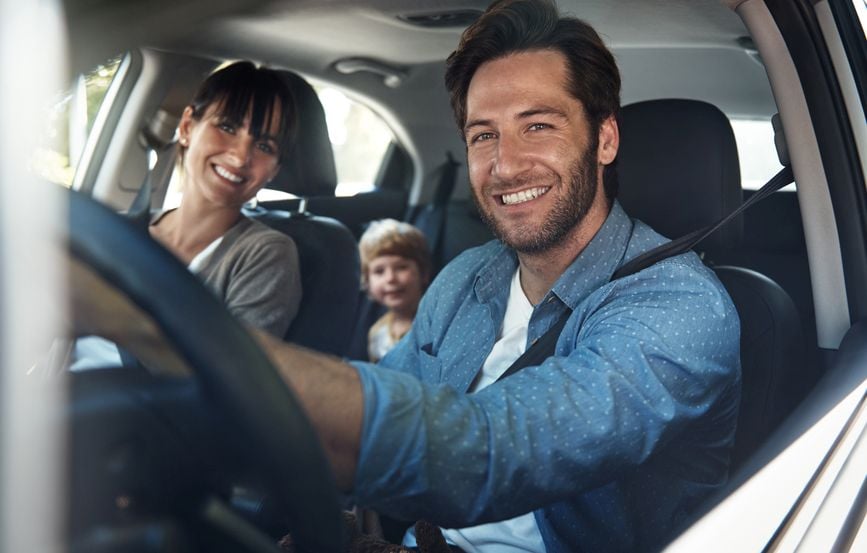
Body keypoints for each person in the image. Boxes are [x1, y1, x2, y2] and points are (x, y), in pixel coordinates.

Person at [256, 1, 741, 551]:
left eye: (537, 125)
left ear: (605, 139)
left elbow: (490, 455)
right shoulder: (467, 277)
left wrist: (241, 364)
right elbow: (386, 396)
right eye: (484, 135)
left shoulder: (680, 307)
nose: (506, 165)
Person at [73, 61, 302, 370]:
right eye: (228, 127)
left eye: (263, 145)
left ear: (274, 169)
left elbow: (231, 377)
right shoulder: (123, 230)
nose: (240, 156)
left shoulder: (264, 253)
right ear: (186, 128)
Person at [359, 219, 432, 362]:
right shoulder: (377, 333)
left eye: (401, 267)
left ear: (423, 273)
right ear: (367, 281)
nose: (390, 278)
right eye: (379, 271)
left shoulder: (434, 324)